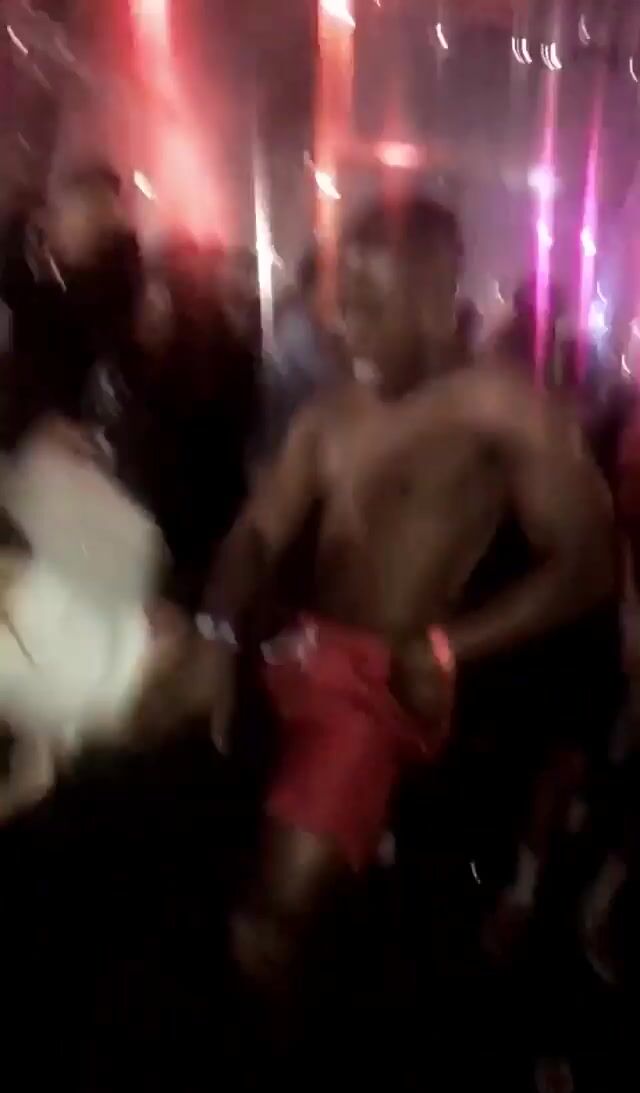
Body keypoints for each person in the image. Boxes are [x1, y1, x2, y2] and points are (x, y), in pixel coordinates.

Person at [201, 195, 615, 983]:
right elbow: (258, 530)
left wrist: (448, 646)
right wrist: (217, 633)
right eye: (344, 299)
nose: (344, 324)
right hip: (290, 647)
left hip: (373, 683)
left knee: (274, 913)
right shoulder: (330, 411)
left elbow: (590, 563)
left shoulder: (502, 406)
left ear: (433, 296)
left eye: (370, 303)